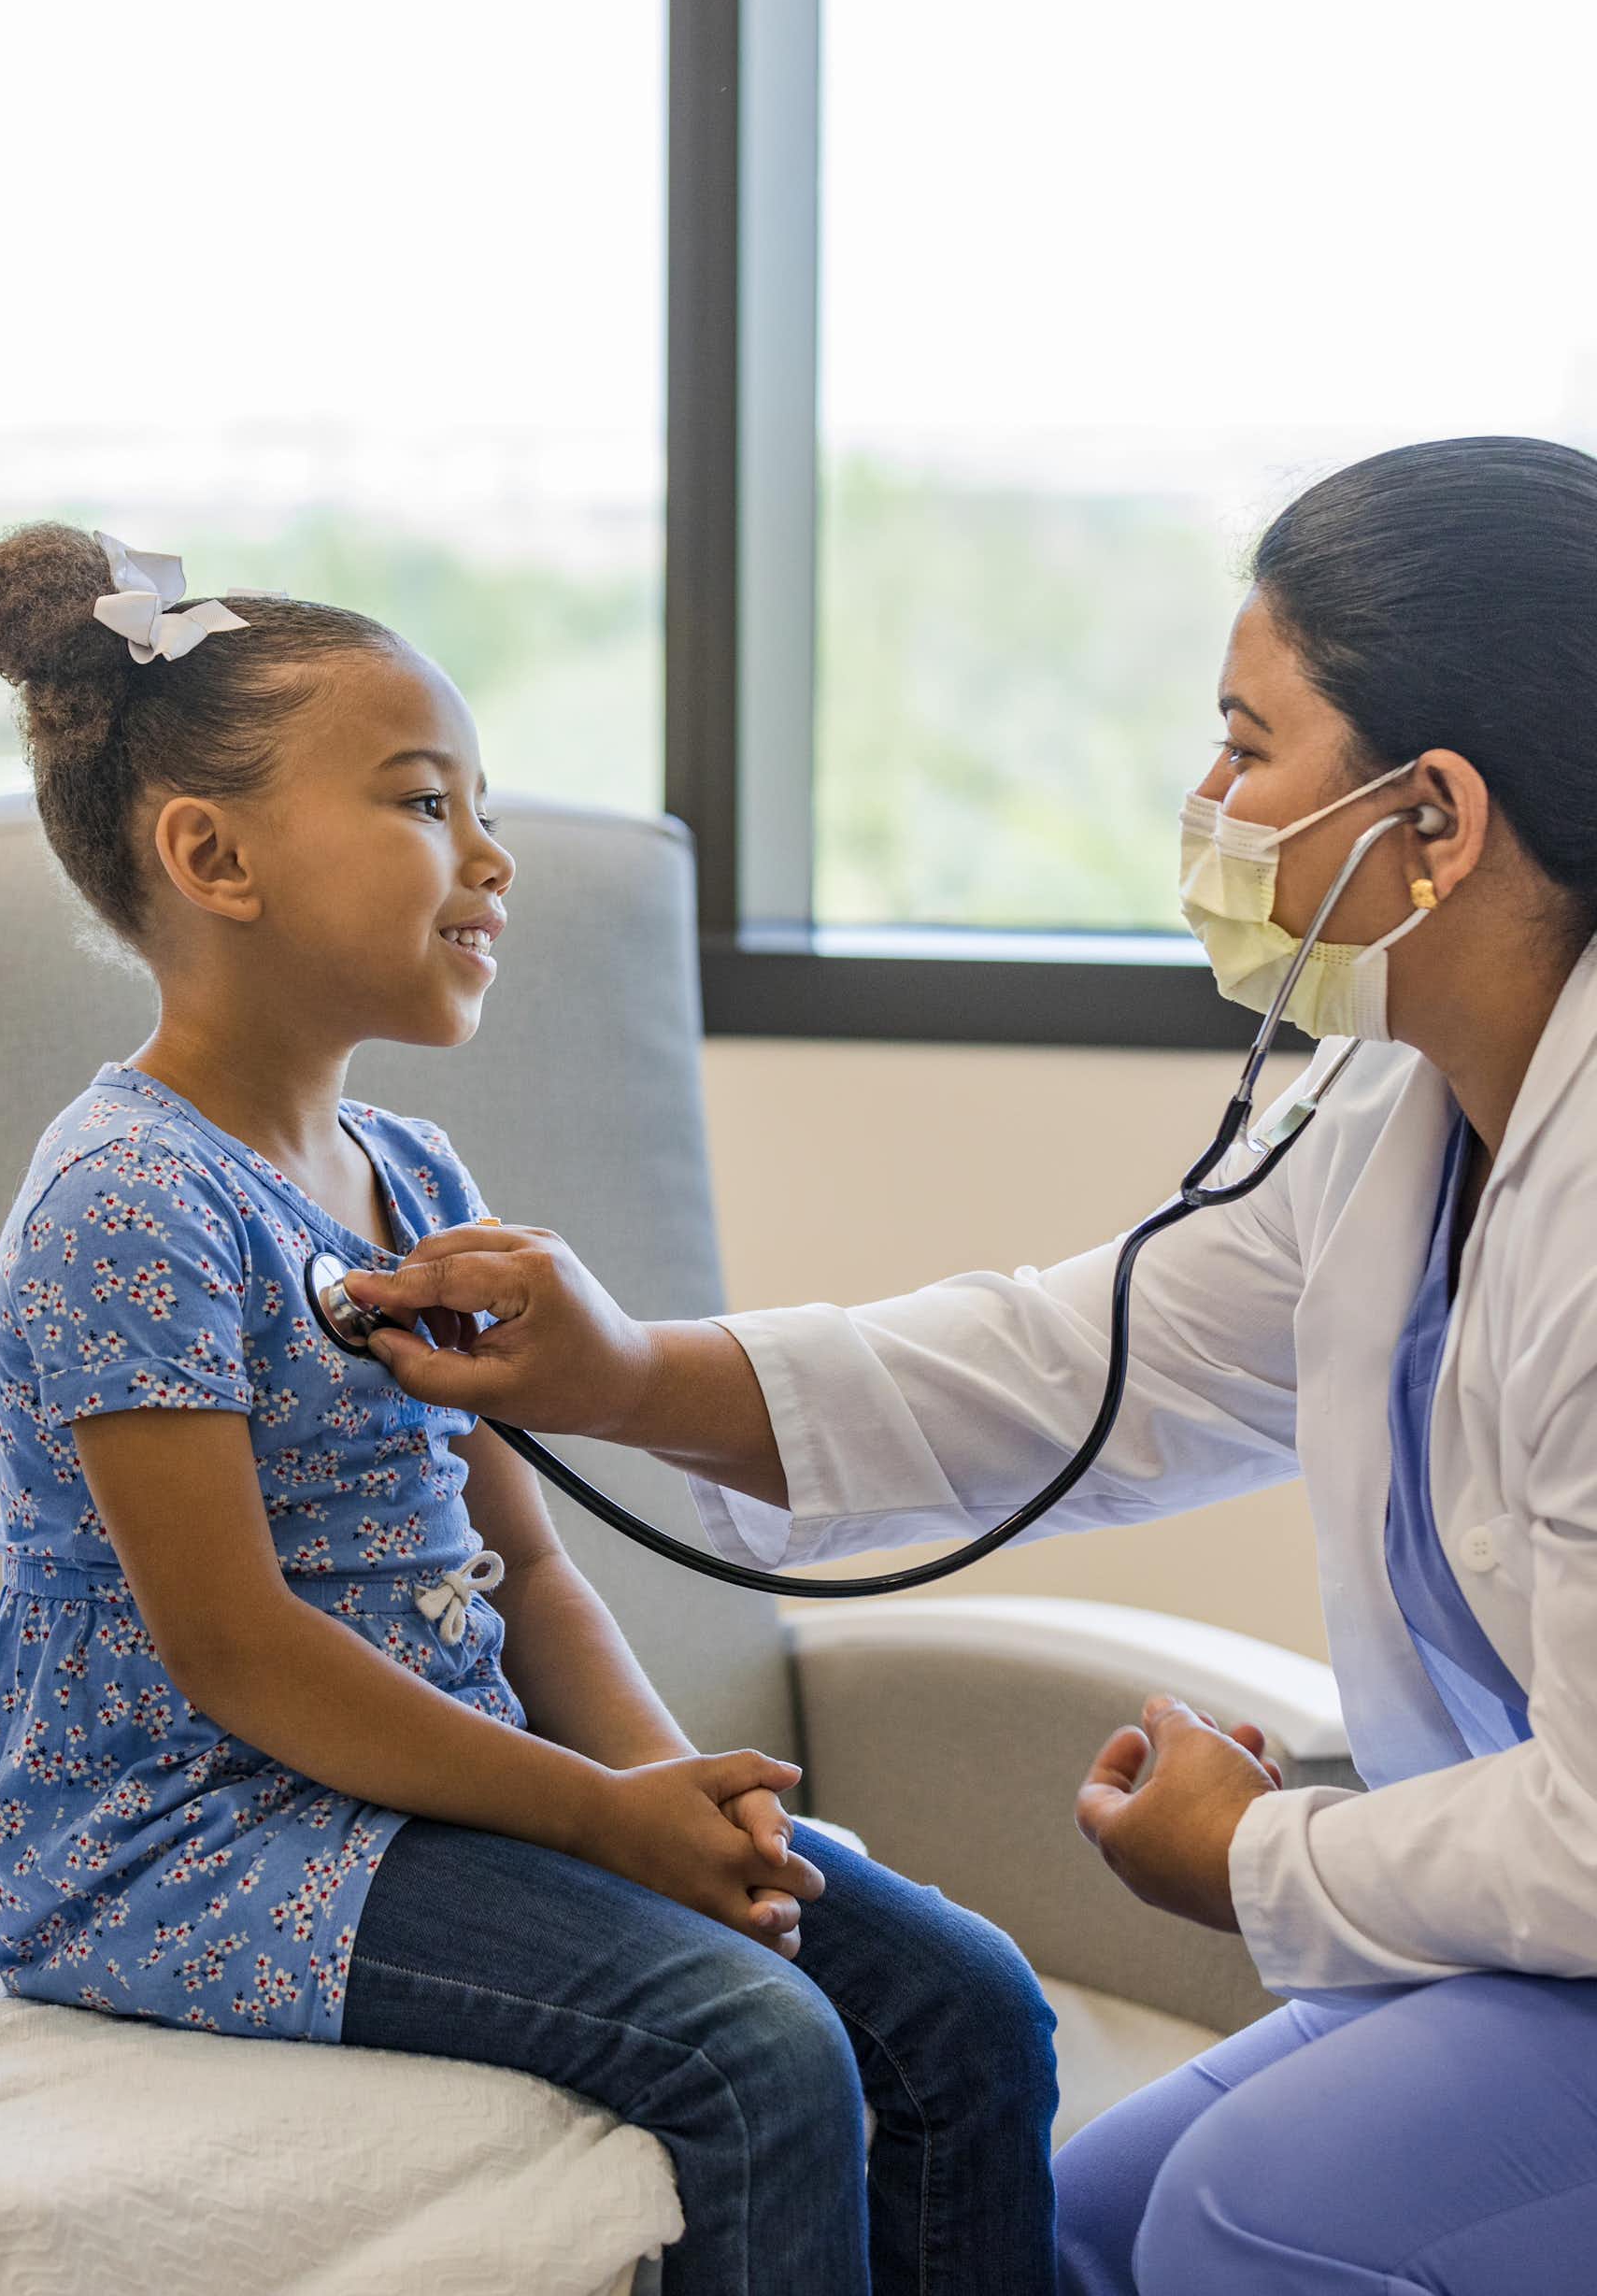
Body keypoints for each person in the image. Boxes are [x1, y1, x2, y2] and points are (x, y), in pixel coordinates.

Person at [349, 435, 1597, 2290]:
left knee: (1245, 2221)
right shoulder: (1397, 1113)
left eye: (1246, 745)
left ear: (1433, 821)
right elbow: (1072, 1365)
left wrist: (1259, 1851)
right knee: (1075, 2227)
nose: (1205, 799)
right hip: (1523, 1935)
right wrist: (616, 1373)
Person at [0, 523, 1060, 2295]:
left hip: (426, 1789)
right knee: (751, 2046)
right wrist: (589, 1820)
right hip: (185, 1833)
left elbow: (524, 1573)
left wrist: (664, 1794)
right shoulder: (126, 1204)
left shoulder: (410, 1170)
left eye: (482, 805)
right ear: (210, 855)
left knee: (960, 2001)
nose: (491, 858)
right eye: (420, 804)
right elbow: (236, 1653)